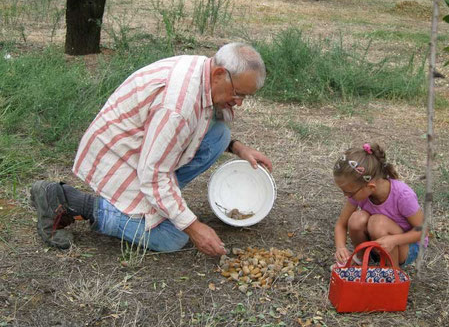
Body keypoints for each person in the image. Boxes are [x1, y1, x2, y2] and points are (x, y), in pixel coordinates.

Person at [30, 43, 272, 257]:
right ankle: (70, 202)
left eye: (245, 97)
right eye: (238, 94)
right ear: (220, 74)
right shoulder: (177, 107)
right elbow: (153, 175)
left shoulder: (205, 70)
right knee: (172, 238)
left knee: (220, 136)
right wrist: (193, 226)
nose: (239, 102)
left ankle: (159, 205)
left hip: (146, 150)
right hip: (121, 157)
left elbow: (204, 123)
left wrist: (237, 148)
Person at [333, 143, 427, 268]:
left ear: (370, 187)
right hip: (380, 243)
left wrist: (394, 240)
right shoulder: (359, 191)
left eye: (349, 192)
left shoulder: (403, 195)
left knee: (378, 222)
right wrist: (340, 247)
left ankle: (391, 272)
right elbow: (341, 223)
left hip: (406, 247)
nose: (346, 195)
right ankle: (361, 260)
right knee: (356, 219)